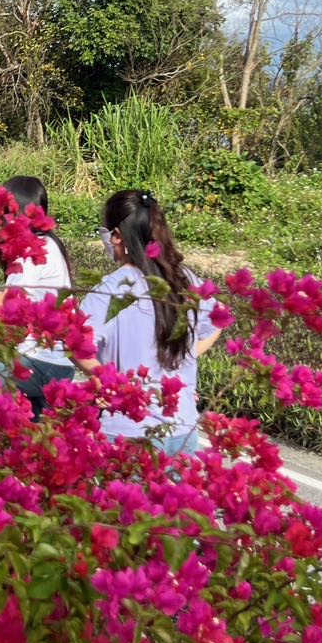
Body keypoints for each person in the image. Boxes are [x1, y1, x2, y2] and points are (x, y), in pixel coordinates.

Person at [78, 189, 221, 454]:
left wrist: (106, 381)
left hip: (127, 432)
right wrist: (188, 355)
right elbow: (218, 321)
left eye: (106, 232)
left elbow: (76, 344)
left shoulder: (110, 289)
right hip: (181, 428)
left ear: (117, 236)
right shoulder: (186, 279)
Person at [0, 175, 75, 416]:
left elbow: (13, 306)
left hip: (38, 362)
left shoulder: (29, 251)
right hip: (56, 362)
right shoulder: (49, 243)